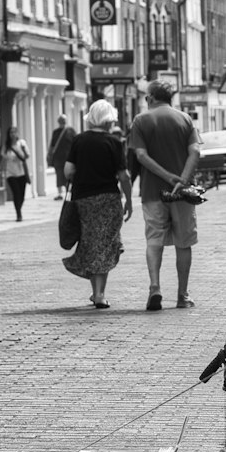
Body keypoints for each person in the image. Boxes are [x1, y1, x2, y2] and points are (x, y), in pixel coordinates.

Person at [129, 80, 200, 310]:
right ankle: (183, 295)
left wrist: (167, 177)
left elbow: (140, 155)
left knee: (154, 240)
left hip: (152, 191)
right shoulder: (185, 119)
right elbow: (195, 151)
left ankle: (155, 287)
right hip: (183, 195)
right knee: (184, 242)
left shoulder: (141, 120)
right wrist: (182, 179)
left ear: (150, 97)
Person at [62, 99, 133, 308]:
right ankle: (100, 294)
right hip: (108, 199)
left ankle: (97, 293)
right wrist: (128, 200)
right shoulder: (114, 142)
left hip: (84, 199)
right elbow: (123, 175)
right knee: (105, 244)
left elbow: (68, 171)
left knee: (92, 243)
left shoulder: (78, 140)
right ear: (109, 119)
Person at [3, 126, 31, 221]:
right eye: (11, 132)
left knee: (22, 194)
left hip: (21, 172)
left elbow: (27, 155)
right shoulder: (7, 145)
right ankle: (18, 214)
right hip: (10, 173)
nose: (13, 134)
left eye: (14, 132)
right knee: (16, 193)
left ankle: (19, 208)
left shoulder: (22, 143)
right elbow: (3, 155)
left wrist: (21, 153)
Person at [47, 113, 74, 199]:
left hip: (68, 158)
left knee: (67, 175)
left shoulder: (71, 131)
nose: (62, 122)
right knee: (59, 175)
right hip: (59, 158)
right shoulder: (56, 132)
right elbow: (52, 145)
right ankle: (60, 193)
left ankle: (67, 192)